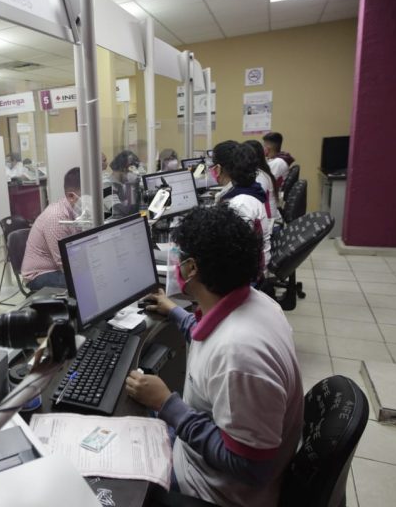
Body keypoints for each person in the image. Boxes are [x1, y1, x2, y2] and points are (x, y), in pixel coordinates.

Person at [125, 204, 303, 507]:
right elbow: (211, 335)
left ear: (192, 268)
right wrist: (177, 314)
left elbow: (252, 467)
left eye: (179, 257)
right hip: (209, 464)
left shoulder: (239, 354)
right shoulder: (257, 302)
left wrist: (167, 404)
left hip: (214, 491)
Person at [210, 141, 272, 273]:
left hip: (247, 276)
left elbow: (230, 251)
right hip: (248, 266)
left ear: (218, 168)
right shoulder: (248, 190)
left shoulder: (240, 204)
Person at [21, 167, 82, 290]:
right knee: (84, 284)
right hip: (41, 274)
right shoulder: (56, 218)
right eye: (87, 196)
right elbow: (64, 263)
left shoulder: (74, 211)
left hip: (57, 267)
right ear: (71, 196)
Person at [244, 139, 282, 225]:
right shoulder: (260, 172)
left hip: (271, 224)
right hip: (269, 221)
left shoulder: (260, 177)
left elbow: (253, 202)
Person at [107, 150, 142, 217]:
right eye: (131, 169)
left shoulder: (126, 185)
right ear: (121, 168)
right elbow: (119, 213)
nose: (134, 173)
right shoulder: (107, 185)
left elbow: (137, 211)